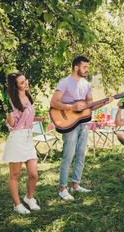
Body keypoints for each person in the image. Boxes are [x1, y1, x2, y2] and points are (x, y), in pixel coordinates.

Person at [50, 56, 113, 200]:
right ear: (76, 67)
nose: (87, 70)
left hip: (83, 124)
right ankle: (62, 188)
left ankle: (76, 185)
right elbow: (53, 102)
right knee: (68, 155)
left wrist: (105, 102)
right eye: (84, 67)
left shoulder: (87, 85)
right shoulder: (65, 82)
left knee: (81, 155)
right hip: (69, 124)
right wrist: (71, 107)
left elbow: (90, 106)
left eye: (87, 67)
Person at [2, 72, 47, 214]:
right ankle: (17, 204)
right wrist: (8, 111)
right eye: (22, 82)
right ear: (15, 86)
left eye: (25, 80)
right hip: (16, 138)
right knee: (15, 174)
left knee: (33, 173)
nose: (26, 83)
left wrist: (39, 119)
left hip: (28, 138)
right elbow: (13, 123)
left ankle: (29, 198)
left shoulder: (27, 96)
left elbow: (26, 118)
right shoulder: (11, 101)